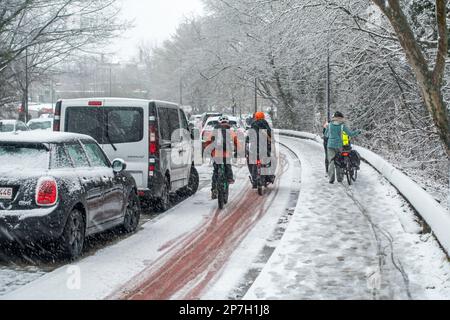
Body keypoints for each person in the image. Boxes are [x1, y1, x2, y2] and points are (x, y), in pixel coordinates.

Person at [325, 112, 361, 184]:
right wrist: (358, 132)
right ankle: (339, 178)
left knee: (331, 161)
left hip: (330, 146)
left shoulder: (329, 125)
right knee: (339, 161)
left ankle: (331, 178)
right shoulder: (342, 126)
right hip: (339, 146)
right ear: (341, 118)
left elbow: (326, 134)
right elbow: (350, 134)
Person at [209, 116, 238, 200]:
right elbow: (236, 142)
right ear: (227, 123)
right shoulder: (230, 131)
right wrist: (237, 151)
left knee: (215, 171)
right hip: (226, 154)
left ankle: (214, 189)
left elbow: (209, 142)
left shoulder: (214, 130)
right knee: (228, 166)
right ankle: (229, 178)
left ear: (219, 123)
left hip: (216, 154)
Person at [247, 112, 275, 188]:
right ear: (263, 117)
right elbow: (270, 135)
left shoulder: (253, 125)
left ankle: (254, 180)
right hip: (264, 147)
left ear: (256, 117)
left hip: (254, 148)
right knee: (269, 160)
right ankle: (269, 176)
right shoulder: (265, 124)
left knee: (253, 163)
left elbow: (249, 135)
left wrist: (247, 141)